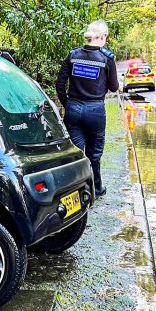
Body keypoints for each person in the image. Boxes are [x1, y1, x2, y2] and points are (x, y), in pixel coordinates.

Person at [56, 19, 119, 197]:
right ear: (103, 36)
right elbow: (114, 87)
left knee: (76, 153)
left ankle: (74, 190)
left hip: (73, 109)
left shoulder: (73, 55)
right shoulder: (107, 58)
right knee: (95, 153)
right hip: (95, 111)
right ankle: (96, 188)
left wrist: (67, 103)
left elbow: (60, 83)